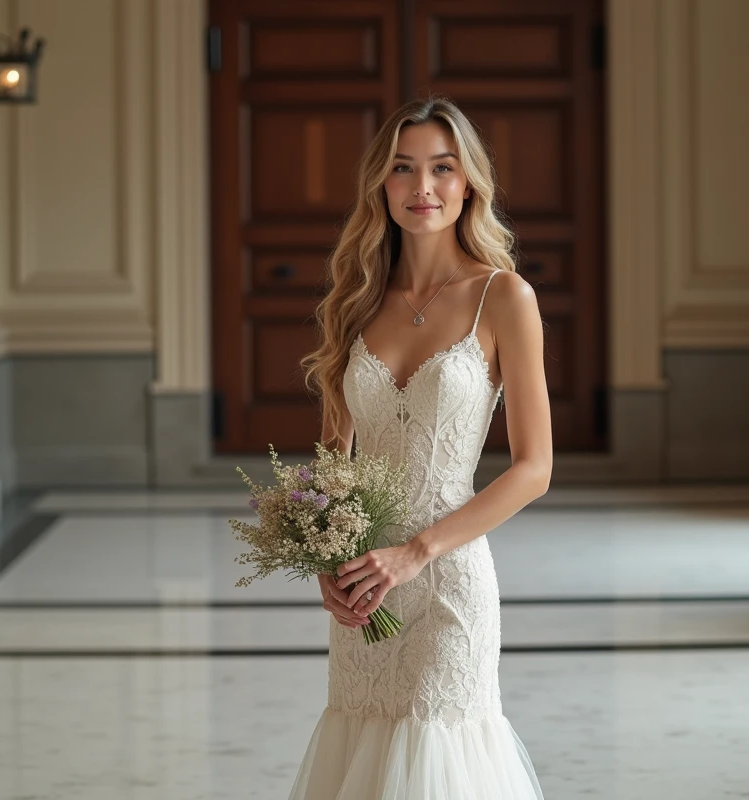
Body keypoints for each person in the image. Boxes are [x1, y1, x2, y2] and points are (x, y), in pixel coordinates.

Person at [295, 94, 553, 799]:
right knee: (367, 756)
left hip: (447, 582)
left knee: (440, 757)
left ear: (469, 181)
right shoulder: (357, 300)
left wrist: (416, 552)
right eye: (404, 169)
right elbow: (332, 460)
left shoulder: (503, 297)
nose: (423, 188)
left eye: (443, 168)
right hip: (367, 585)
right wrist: (328, 561)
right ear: (382, 183)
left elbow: (534, 469)